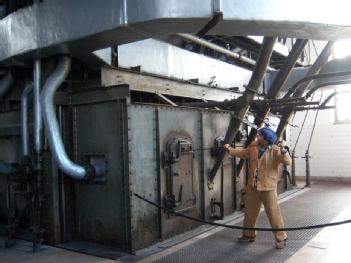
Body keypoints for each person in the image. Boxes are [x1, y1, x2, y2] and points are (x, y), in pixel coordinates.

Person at [223, 127, 291, 249]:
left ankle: (281, 237)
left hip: (268, 188)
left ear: (266, 139)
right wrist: (229, 149)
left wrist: (284, 150)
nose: (257, 136)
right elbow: (242, 153)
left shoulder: (275, 150)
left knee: (273, 213)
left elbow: (287, 162)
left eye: (260, 135)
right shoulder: (253, 147)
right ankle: (248, 234)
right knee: (250, 212)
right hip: (252, 187)